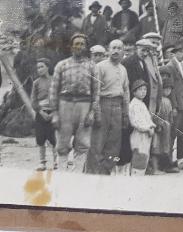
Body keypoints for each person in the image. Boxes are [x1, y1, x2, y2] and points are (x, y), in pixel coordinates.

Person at [50, 33, 99, 173]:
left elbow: (96, 91)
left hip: (84, 106)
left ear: (86, 47)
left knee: (83, 143)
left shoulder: (92, 66)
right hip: (65, 105)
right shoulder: (62, 65)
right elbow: (53, 90)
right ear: (71, 46)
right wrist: (54, 113)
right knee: (62, 144)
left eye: (82, 44)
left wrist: (92, 112)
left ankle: (77, 175)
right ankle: (62, 175)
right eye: (76, 44)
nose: (79, 46)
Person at [88, 39, 130, 174]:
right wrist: (97, 112)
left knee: (114, 144)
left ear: (123, 51)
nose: (116, 51)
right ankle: (91, 174)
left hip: (118, 107)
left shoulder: (123, 69)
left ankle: (105, 173)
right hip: (103, 105)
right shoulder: (100, 67)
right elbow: (95, 91)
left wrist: (125, 112)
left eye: (119, 48)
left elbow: (126, 91)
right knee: (97, 143)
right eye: (113, 48)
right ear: (108, 50)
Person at [31, 58, 57, 171]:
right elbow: (33, 100)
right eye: (38, 67)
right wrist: (41, 112)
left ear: (47, 67)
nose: (39, 69)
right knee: (40, 138)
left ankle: (56, 162)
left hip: (53, 113)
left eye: (41, 67)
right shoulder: (36, 83)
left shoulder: (55, 80)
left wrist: (54, 112)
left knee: (54, 138)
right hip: (41, 114)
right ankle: (42, 163)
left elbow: (60, 98)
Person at [128, 78, 156, 176]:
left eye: (145, 89)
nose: (143, 92)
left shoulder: (142, 104)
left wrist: (152, 125)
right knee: (139, 157)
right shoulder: (134, 105)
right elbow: (136, 122)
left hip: (146, 136)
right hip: (139, 135)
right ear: (134, 92)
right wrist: (147, 128)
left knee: (144, 158)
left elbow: (147, 119)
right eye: (140, 90)